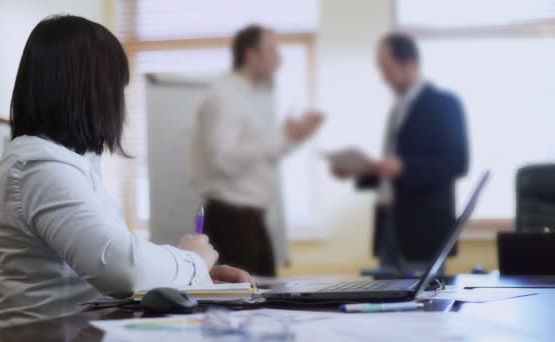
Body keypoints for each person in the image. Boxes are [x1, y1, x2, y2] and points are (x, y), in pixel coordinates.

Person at [0, 15, 251, 328]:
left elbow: (117, 261)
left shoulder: (68, 165)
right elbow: (123, 269)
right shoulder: (39, 168)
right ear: (89, 90)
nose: (120, 103)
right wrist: (192, 261)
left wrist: (196, 278)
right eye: (117, 88)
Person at [189, 25, 323, 276]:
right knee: (243, 304)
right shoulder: (224, 97)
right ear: (251, 55)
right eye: (272, 50)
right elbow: (223, 160)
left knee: (263, 299)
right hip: (232, 220)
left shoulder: (249, 98)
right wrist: (282, 137)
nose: (280, 58)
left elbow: (260, 154)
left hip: (249, 220)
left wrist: (292, 137)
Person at [332, 32, 469, 275]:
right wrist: (359, 171)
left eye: (387, 68)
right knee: (385, 307)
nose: (383, 77)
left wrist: (404, 167)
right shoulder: (397, 109)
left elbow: (457, 163)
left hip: (424, 230)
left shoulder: (445, 104)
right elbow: (390, 169)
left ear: (411, 63)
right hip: (388, 228)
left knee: (425, 309)